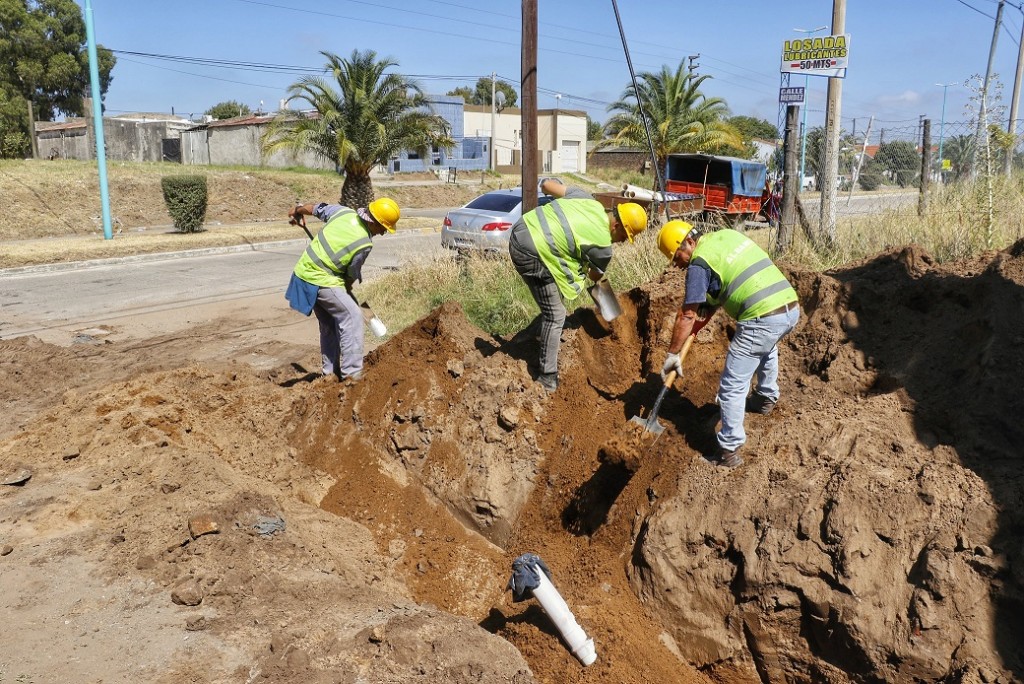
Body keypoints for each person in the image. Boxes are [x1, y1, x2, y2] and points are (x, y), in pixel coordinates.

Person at [656, 220, 799, 468]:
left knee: (732, 386)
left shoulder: (699, 264)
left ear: (688, 242)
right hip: (788, 308)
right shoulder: (726, 237)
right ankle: (765, 398)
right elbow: (723, 289)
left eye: (677, 256)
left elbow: (687, 315)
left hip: (762, 316)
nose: (677, 264)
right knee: (766, 346)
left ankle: (728, 451)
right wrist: (701, 323)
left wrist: (672, 354)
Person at [508, 178, 648, 392]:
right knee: (556, 315)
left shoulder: (587, 199)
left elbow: (546, 185)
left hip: (521, 229)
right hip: (530, 252)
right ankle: (547, 378)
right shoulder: (603, 248)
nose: (620, 241)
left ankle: (525, 338)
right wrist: (607, 305)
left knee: (553, 299)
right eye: (623, 236)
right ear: (616, 225)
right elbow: (594, 276)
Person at [284, 197, 401, 381]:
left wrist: (298, 210)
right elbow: (350, 275)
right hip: (321, 279)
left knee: (329, 324)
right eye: (383, 228)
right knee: (352, 316)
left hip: (303, 273)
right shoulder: (364, 243)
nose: (383, 233)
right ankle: (351, 378)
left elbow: (315, 208)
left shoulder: (343, 212)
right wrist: (347, 289)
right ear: (374, 221)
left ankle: (329, 376)